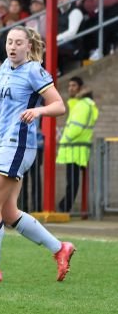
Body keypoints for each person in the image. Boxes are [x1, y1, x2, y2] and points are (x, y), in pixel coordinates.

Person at [0, 26, 74, 283]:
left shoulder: (34, 70)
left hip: (18, 144)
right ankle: (60, 248)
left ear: (28, 46)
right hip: (4, 142)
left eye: (18, 43)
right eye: (9, 42)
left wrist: (38, 112)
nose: (12, 46)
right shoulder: (4, 67)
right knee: (8, 212)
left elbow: (59, 105)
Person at [56, 76, 99, 213]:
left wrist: (64, 139)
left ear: (80, 87)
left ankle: (64, 207)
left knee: (72, 182)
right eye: (69, 86)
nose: (70, 88)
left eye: (73, 85)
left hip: (75, 149)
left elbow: (75, 127)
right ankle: (64, 206)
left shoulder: (83, 105)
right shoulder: (83, 104)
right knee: (73, 182)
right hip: (77, 149)